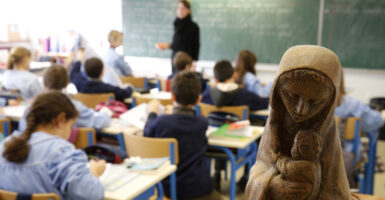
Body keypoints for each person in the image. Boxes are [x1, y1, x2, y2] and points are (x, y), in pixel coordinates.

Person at [245, 45, 351, 199]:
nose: (300, 110)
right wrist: (273, 185)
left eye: (315, 102)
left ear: (329, 103)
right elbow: (261, 168)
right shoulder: (276, 123)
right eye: (291, 95)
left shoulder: (326, 131)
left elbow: (336, 190)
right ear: (277, 91)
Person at [0, 91, 105, 200]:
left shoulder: (4, 146)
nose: (70, 132)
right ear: (61, 119)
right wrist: (93, 173)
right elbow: (93, 195)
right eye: (71, 126)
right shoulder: (61, 151)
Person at [144, 71, 222, 200]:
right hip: (199, 188)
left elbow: (147, 134)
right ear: (199, 99)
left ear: (172, 97)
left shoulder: (161, 122)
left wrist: (152, 112)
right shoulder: (202, 123)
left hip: (169, 188)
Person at [17, 65, 111, 133]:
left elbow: (22, 130)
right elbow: (99, 122)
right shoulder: (73, 106)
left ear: (45, 83)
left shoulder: (31, 106)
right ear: (67, 83)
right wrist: (106, 113)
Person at [202, 60, 269, 110]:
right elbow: (264, 104)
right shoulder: (246, 95)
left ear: (215, 80)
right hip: (238, 128)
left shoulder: (206, 96)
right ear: (234, 75)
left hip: (213, 128)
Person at [156, 0, 200, 74]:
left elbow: (196, 46)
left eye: (183, 8)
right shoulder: (176, 24)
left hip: (186, 62)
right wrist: (167, 46)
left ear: (189, 10)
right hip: (175, 60)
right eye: (179, 8)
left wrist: (194, 64)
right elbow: (177, 44)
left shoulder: (194, 27)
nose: (180, 11)